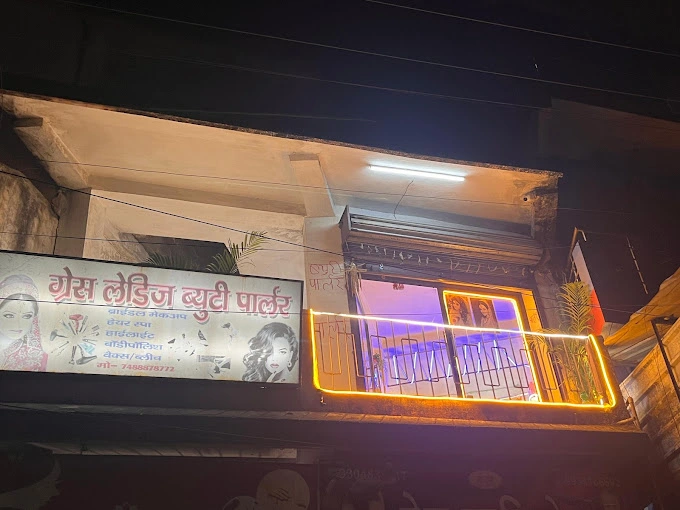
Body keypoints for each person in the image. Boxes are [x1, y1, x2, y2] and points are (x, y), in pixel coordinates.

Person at [0, 275, 47, 371]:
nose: (18, 324)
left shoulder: (38, 359)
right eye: (9, 315)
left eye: (27, 316)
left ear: (34, 318)